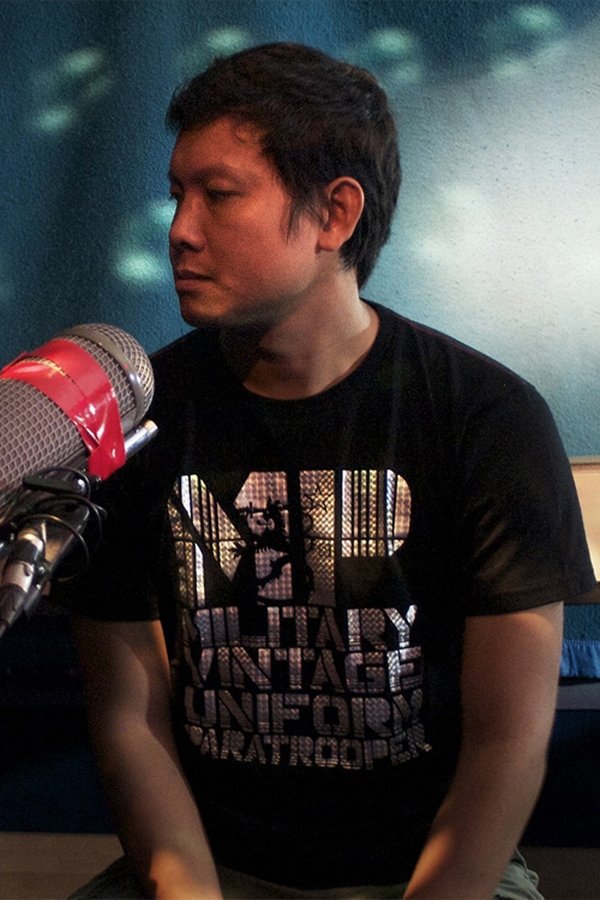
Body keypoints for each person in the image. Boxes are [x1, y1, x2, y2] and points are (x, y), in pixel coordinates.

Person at [67, 43, 595, 899]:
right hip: (211, 866)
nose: (180, 230)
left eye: (218, 195)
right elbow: (130, 719)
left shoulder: (487, 418)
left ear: (335, 214)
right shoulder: (134, 421)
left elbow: (507, 743)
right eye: (176, 195)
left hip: (430, 872)